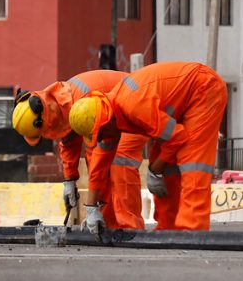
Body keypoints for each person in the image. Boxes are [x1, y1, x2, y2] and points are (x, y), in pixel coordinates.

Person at [68, 61, 227, 233]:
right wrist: (91, 209)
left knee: (193, 164)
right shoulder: (110, 114)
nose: (101, 139)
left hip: (203, 88)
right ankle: (169, 228)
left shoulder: (134, 107)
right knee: (166, 164)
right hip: (182, 101)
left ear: (106, 122)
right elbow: (99, 166)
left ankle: (192, 231)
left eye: (99, 135)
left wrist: (155, 169)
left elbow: (177, 137)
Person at [12, 70, 146, 230]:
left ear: (41, 121)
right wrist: (69, 180)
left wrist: (91, 208)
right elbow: (69, 140)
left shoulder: (79, 100)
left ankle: (129, 227)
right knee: (96, 165)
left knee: (119, 162)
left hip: (134, 108)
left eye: (40, 132)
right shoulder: (57, 102)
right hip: (115, 114)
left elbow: (97, 162)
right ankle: (108, 224)